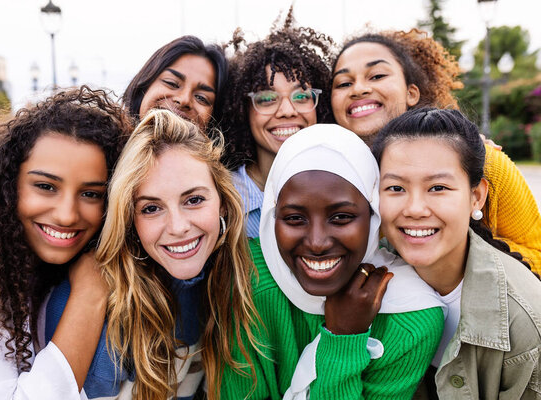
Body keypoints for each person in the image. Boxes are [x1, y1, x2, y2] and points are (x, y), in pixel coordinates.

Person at [221, 124, 445, 399]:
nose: (317, 243)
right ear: (272, 216)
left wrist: (343, 339)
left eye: (341, 218)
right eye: (294, 218)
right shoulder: (245, 278)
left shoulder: (412, 318)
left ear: (374, 218)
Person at [0, 87, 132, 398]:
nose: (68, 215)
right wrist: (90, 293)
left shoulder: (29, 261)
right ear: (5, 185)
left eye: (91, 194)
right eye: (46, 186)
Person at [68, 109, 258, 400]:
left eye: (194, 200)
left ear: (222, 201)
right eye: (151, 208)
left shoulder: (235, 279)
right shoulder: (98, 309)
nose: (179, 227)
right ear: (130, 220)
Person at [330, 29, 541, 273]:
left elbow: (536, 254)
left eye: (376, 76)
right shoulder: (328, 175)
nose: (358, 89)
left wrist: (451, 255)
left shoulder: (484, 162)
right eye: (344, 83)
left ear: (411, 93)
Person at [373, 107, 541, 399]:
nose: (414, 209)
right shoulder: (362, 284)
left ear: (476, 196)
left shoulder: (523, 321)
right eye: (396, 187)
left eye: (437, 187)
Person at [221, 8, 335, 238]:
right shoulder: (222, 197)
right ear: (244, 110)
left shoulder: (342, 182)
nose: (287, 111)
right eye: (266, 98)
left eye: (301, 96)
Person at [122, 35, 227, 130]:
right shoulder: (107, 146)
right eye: (172, 83)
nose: (184, 100)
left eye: (201, 98)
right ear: (145, 85)